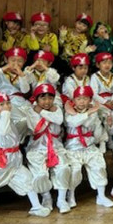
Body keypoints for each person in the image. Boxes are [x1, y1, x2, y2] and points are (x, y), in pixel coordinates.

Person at [64, 85, 113, 208]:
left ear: (90, 100)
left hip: (89, 146)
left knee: (99, 166)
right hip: (73, 148)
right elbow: (73, 122)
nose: (82, 102)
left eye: (85, 98)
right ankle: (71, 195)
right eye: (79, 99)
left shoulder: (94, 113)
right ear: (74, 100)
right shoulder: (69, 112)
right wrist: (89, 112)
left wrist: (100, 141)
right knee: (74, 170)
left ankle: (101, 196)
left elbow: (96, 128)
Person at [26, 83, 71, 214]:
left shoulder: (56, 108)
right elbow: (37, 128)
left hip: (56, 147)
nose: (47, 102)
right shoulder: (31, 111)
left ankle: (61, 200)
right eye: (43, 98)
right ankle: (46, 197)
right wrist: (49, 115)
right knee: (40, 174)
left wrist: (41, 112)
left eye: (50, 98)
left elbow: (59, 120)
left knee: (63, 168)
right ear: (36, 99)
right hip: (37, 148)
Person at [0, 47, 33, 139]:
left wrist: (21, 75)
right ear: (6, 59)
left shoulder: (25, 74)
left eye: (20, 61)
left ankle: (14, 141)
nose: (16, 64)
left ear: (24, 62)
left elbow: (25, 90)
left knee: (29, 121)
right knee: (21, 120)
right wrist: (2, 69)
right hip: (3, 102)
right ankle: (9, 141)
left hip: (20, 102)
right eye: (13, 60)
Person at [89, 52, 113, 152]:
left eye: (109, 63)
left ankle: (111, 137)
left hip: (111, 101)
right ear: (98, 65)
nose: (107, 65)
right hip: (99, 101)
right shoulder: (95, 77)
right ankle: (103, 140)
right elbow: (94, 93)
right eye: (104, 62)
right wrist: (105, 102)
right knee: (104, 116)